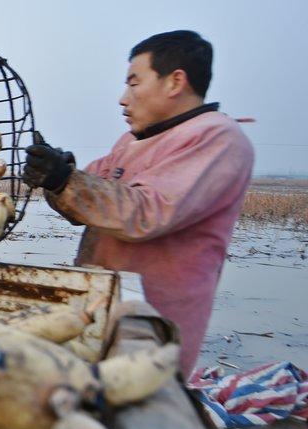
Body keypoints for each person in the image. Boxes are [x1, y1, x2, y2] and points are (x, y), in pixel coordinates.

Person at [23, 30, 253, 376]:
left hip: (152, 325)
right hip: (100, 305)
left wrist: (65, 179)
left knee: (132, 396)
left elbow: (146, 213)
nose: (123, 99)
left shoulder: (217, 138)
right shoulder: (132, 141)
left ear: (175, 82)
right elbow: (85, 199)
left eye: (134, 83)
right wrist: (58, 173)